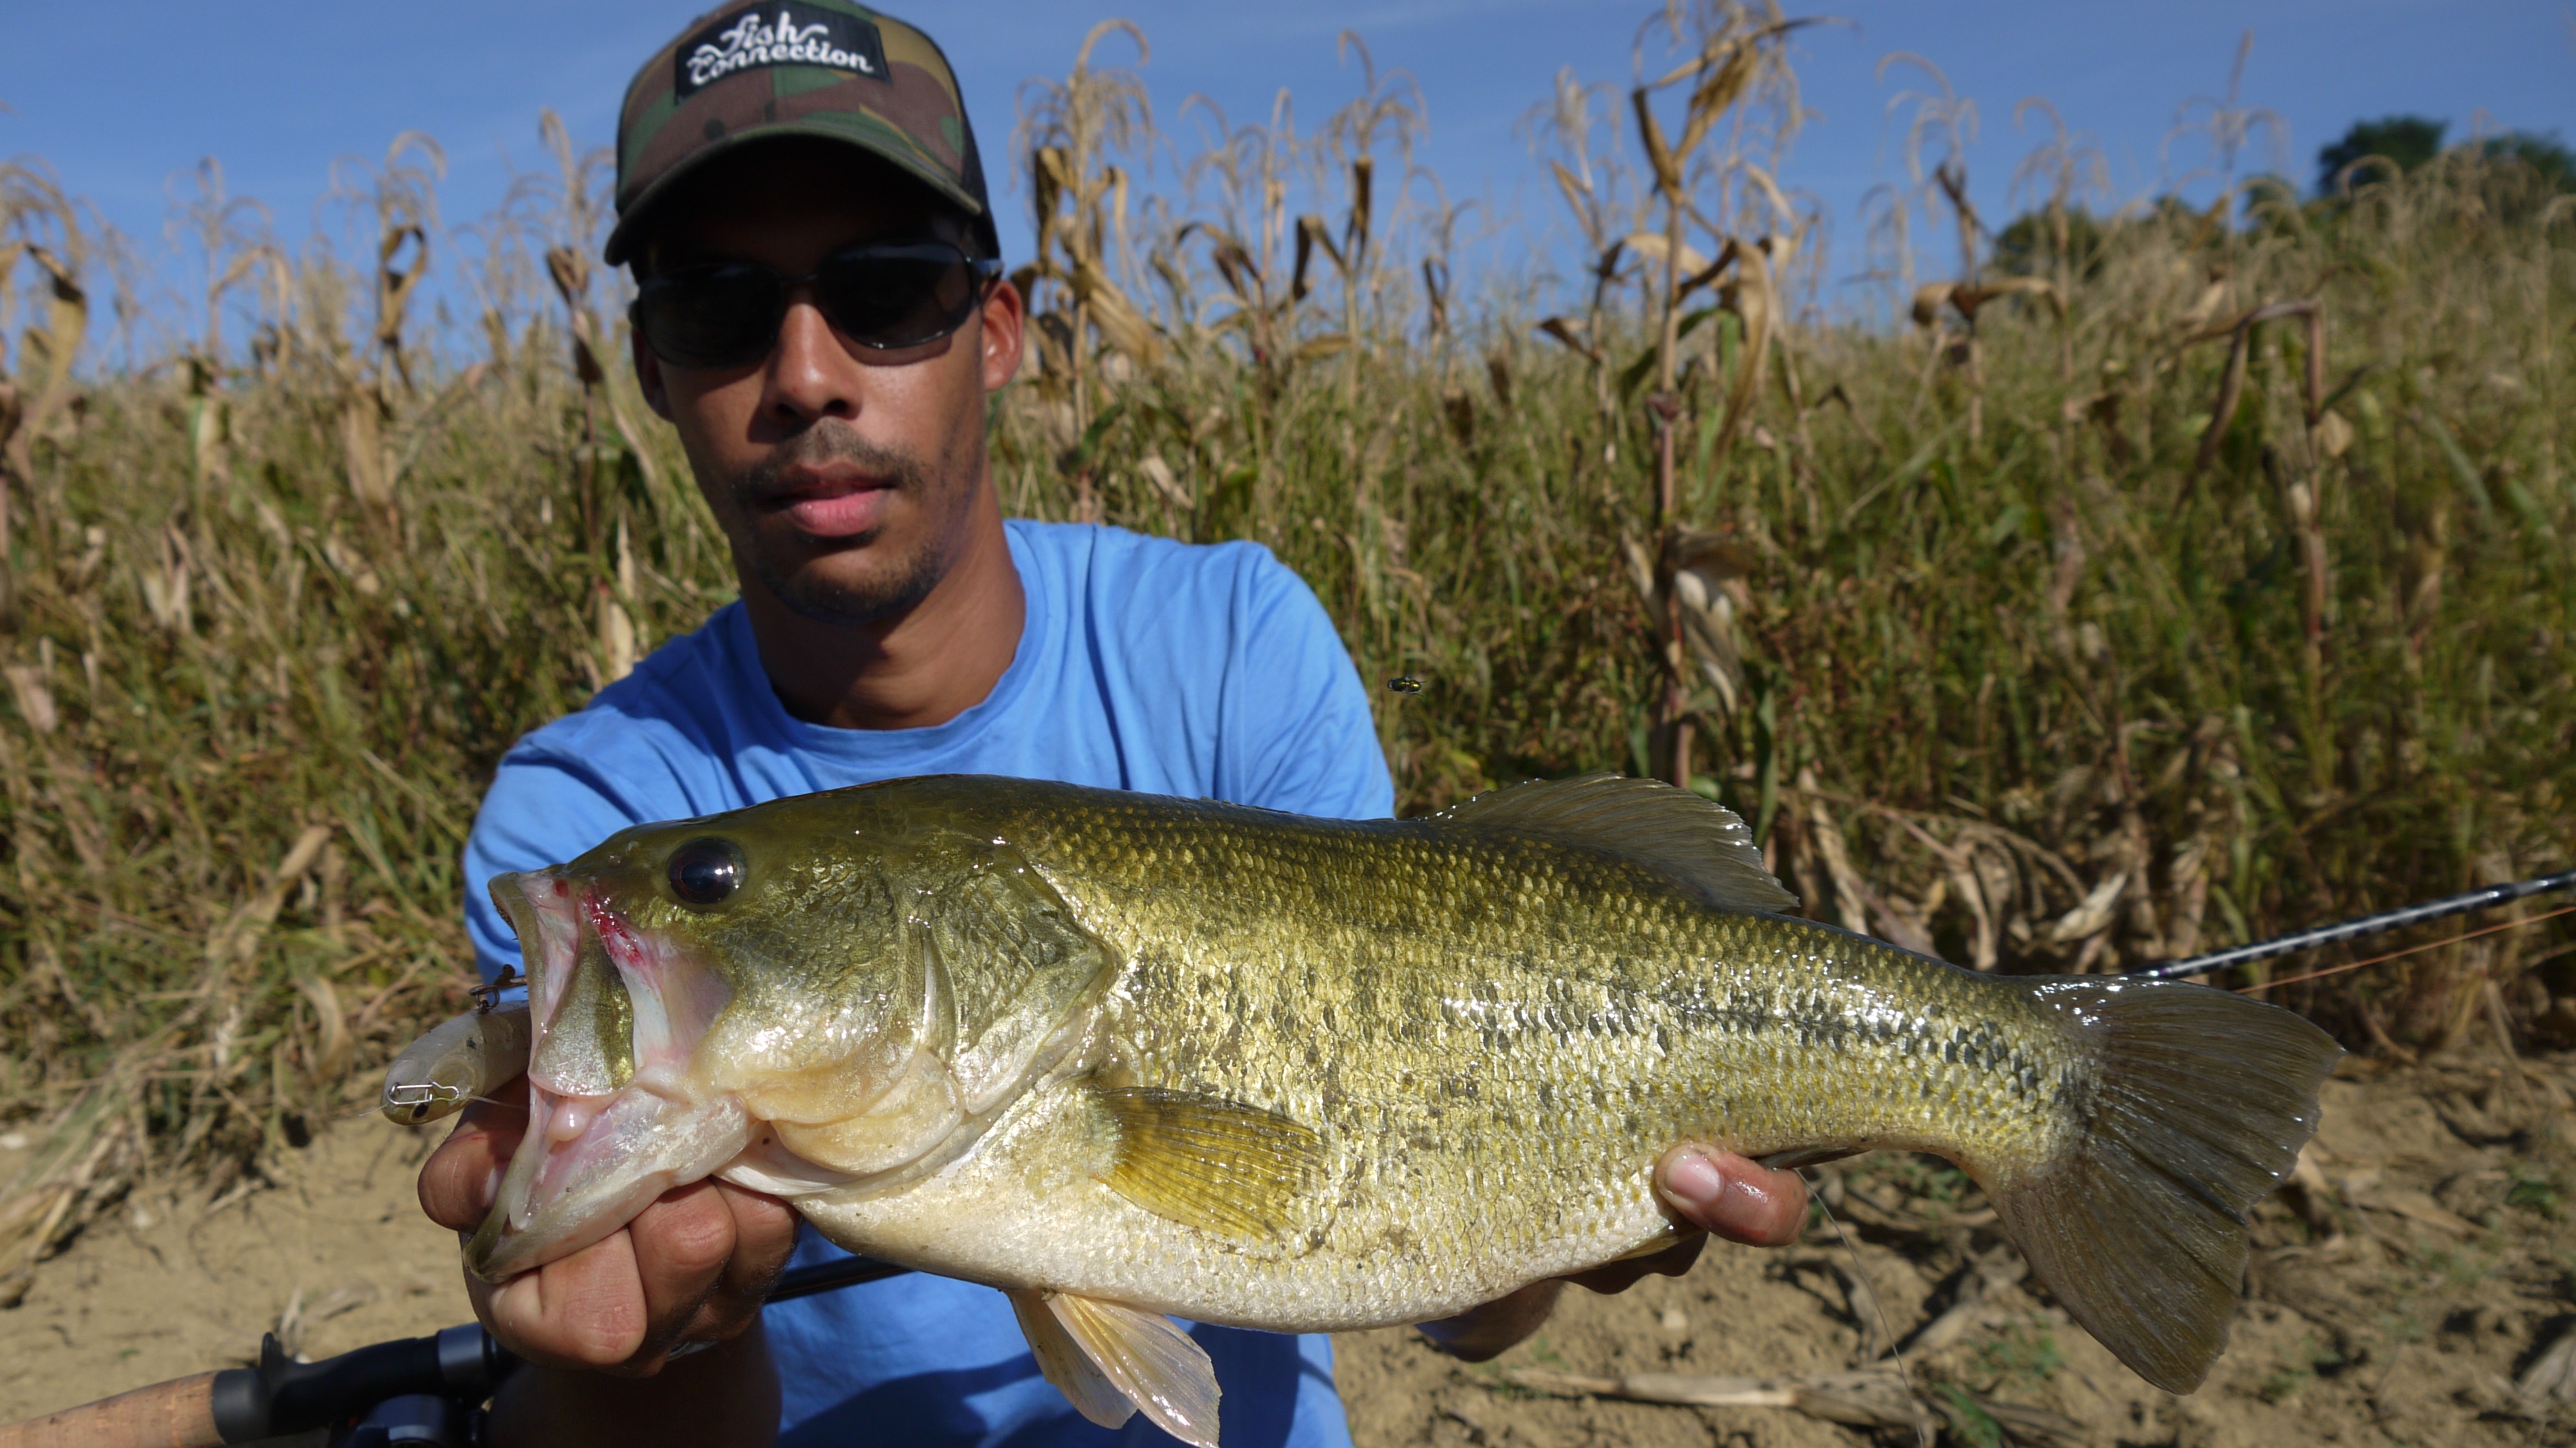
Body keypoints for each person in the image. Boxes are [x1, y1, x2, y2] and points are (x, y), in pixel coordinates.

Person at [414, 5, 1810, 1445]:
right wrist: (649, 1341)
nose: (808, 375)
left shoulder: (1230, 648)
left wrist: (1557, 1234)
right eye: (717, 306)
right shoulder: (584, 818)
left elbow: (1416, 1268)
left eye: (887, 290)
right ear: (649, 368)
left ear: (997, 331)